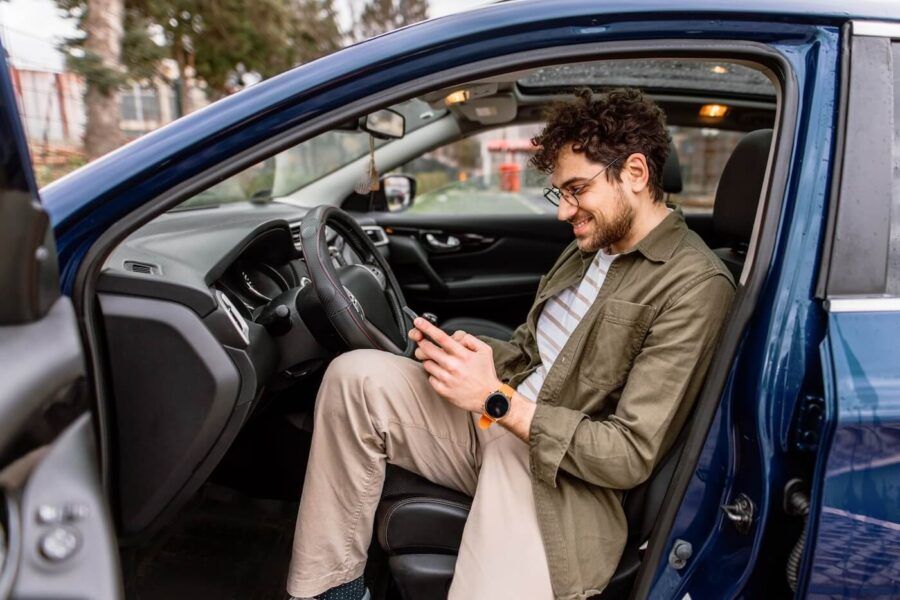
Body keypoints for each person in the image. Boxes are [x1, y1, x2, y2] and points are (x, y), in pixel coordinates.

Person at [286, 88, 735, 600]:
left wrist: (495, 400)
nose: (565, 212)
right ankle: (332, 592)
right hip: (499, 418)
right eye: (559, 193)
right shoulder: (589, 250)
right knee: (356, 377)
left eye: (576, 189)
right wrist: (457, 352)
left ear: (635, 172)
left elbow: (628, 455)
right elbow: (529, 352)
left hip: (559, 479)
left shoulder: (695, 287)